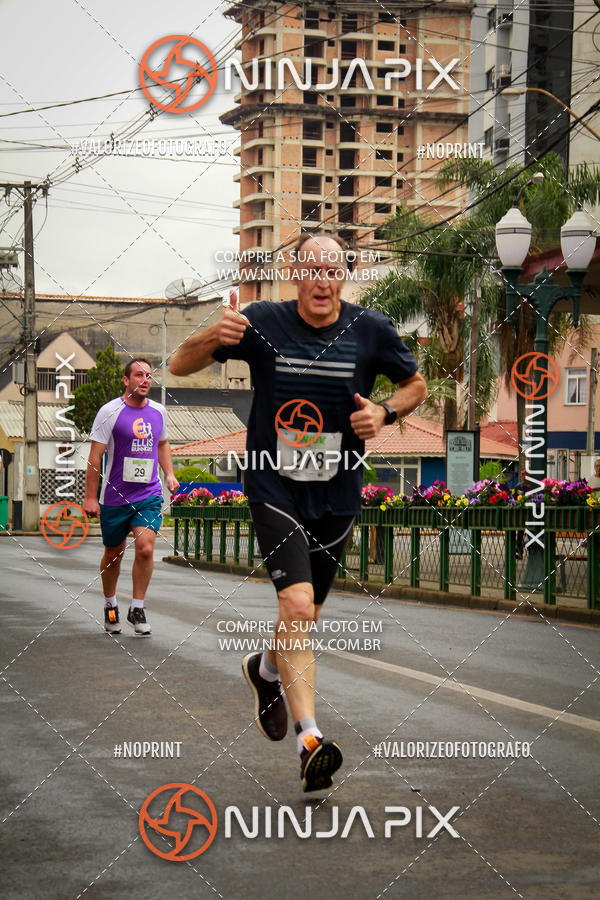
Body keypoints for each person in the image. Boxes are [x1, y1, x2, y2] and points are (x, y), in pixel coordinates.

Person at [170, 233, 427, 791]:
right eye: (311, 268)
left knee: (301, 618)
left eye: (332, 270)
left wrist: (384, 413)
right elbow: (179, 365)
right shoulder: (261, 320)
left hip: (337, 495)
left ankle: (265, 670)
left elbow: (415, 384)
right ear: (294, 271)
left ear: (344, 276)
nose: (321, 280)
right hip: (273, 485)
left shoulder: (371, 329)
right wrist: (215, 334)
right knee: (299, 604)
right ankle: (310, 739)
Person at [83, 359, 179, 636]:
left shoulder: (159, 412)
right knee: (114, 552)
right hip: (114, 496)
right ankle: (110, 603)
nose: (145, 380)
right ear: (126, 380)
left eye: (149, 375)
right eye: (139, 375)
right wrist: (90, 497)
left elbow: (162, 444)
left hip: (148, 494)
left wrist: (169, 474)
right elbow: (94, 457)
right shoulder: (109, 412)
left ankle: (137, 607)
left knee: (146, 548)